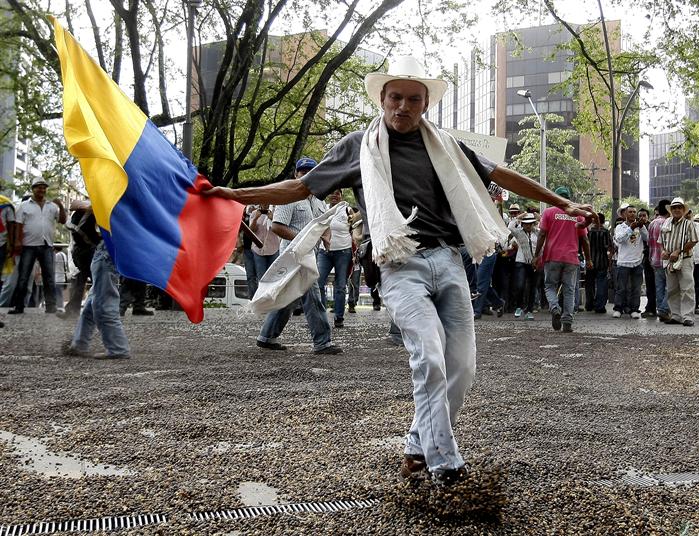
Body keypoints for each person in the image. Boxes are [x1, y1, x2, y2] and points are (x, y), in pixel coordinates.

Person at [206, 56, 593, 485]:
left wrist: (563, 203)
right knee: (428, 355)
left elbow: (502, 173)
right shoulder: (358, 146)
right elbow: (299, 187)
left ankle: (414, 444)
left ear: (425, 104)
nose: (403, 107)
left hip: (449, 259)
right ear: (383, 99)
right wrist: (233, 193)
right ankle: (444, 464)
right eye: (396, 98)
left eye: (413, 99)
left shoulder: (445, 144)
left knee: (461, 366)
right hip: (398, 265)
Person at [253, 156, 343, 354]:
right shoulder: (289, 198)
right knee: (312, 296)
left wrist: (326, 236)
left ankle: (266, 337)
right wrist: (304, 238)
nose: (307, 174)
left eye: (311, 171)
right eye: (303, 172)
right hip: (294, 255)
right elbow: (276, 226)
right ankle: (323, 342)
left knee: (289, 297)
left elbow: (324, 224)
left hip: (311, 254)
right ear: (296, 174)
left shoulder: (319, 200)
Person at [533, 186, 592, 334]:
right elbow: (585, 239)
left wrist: (536, 254)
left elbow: (541, 235)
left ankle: (554, 308)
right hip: (571, 258)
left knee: (550, 286)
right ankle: (567, 322)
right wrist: (588, 259)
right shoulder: (577, 215)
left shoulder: (548, 212)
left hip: (552, 256)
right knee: (569, 290)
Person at [63, 240, 131, 359]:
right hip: (105, 249)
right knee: (92, 303)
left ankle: (117, 347)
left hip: (106, 250)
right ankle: (80, 343)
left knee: (104, 303)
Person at [8, 177, 66, 314]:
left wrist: (61, 206)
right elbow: (18, 225)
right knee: (24, 276)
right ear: (33, 189)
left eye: (43, 187)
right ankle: (19, 306)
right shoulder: (24, 206)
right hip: (28, 245)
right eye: (38, 187)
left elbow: (63, 221)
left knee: (49, 277)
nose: (41, 189)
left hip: (46, 245)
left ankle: (51, 307)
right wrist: (17, 241)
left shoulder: (52, 207)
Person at [658, 197, 699, 326]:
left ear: (683, 210)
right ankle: (676, 315)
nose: (676, 209)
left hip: (685, 259)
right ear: (670, 210)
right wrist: (663, 251)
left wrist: (679, 251)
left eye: (679, 207)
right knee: (672, 289)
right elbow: (661, 241)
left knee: (687, 288)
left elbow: (693, 241)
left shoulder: (689, 223)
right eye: (674, 207)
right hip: (670, 260)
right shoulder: (665, 223)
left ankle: (687, 316)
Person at [316, 189, 352, 328]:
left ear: (341, 196)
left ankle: (339, 317)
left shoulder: (347, 209)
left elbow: (355, 225)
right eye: (331, 193)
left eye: (337, 193)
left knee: (341, 286)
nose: (334, 195)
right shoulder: (323, 208)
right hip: (324, 252)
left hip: (343, 251)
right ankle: (321, 315)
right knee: (318, 283)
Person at [60, 201, 100, 318]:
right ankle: (72, 310)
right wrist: (90, 207)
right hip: (82, 250)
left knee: (96, 281)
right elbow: (73, 205)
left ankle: (98, 310)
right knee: (81, 280)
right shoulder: (87, 204)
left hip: (92, 249)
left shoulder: (99, 206)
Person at [612, 204, 646, 318]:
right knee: (621, 288)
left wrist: (641, 227)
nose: (632, 214)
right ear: (625, 214)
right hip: (623, 262)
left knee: (636, 288)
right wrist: (631, 228)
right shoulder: (620, 227)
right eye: (630, 212)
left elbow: (648, 239)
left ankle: (634, 310)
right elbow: (620, 239)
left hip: (637, 262)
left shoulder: (640, 227)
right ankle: (618, 308)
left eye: (634, 212)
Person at [509, 213, 538, 320]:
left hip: (534, 263)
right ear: (523, 224)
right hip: (521, 261)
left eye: (530, 224)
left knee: (532, 287)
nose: (528, 226)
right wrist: (518, 218)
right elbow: (510, 227)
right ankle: (519, 306)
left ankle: (529, 310)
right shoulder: (519, 232)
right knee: (520, 285)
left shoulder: (538, 233)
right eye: (526, 224)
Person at [647, 200, 671, 322]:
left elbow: (649, 243)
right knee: (670, 286)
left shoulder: (652, 223)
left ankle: (661, 310)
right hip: (666, 260)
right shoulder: (667, 223)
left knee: (659, 287)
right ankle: (663, 309)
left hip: (654, 260)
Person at [586, 212, 612, 313]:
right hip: (602, 261)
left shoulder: (589, 231)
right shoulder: (605, 231)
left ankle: (589, 304)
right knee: (601, 284)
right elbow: (610, 247)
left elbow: (585, 243)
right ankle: (600, 306)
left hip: (590, 260)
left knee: (589, 284)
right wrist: (609, 261)